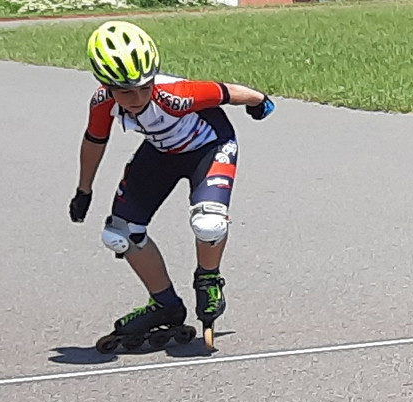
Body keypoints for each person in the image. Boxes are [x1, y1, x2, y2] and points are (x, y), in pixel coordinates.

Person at [68, 19, 272, 352]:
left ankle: (208, 278)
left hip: (209, 147)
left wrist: (260, 101)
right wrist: (83, 190)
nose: (136, 98)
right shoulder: (102, 102)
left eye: (144, 87)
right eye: (125, 91)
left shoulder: (175, 96)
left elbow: (228, 92)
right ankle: (164, 304)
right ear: (105, 85)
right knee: (119, 233)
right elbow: (94, 141)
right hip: (162, 151)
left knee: (209, 223)